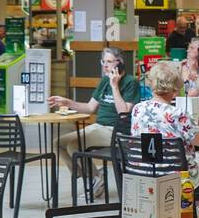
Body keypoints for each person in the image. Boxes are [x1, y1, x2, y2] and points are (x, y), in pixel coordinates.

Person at [49, 46, 140, 198]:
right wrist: (68, 102)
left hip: (116, 131)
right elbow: (90, 108)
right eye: (103, 61)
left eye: (109, 61)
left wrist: (115, 86)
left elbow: (123, 112)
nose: (105, 65)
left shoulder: (131, 82)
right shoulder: (104, 81)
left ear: (121, 63)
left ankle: (94, 179)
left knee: (74, 145)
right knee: (58, 142)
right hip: (98, 127)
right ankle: (92, 177)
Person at [129, 60, 199, 185]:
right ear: (175, 89)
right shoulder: (178, 115)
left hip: (142, 175)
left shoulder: (137, 109)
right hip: (176, 180)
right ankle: (198, 201)